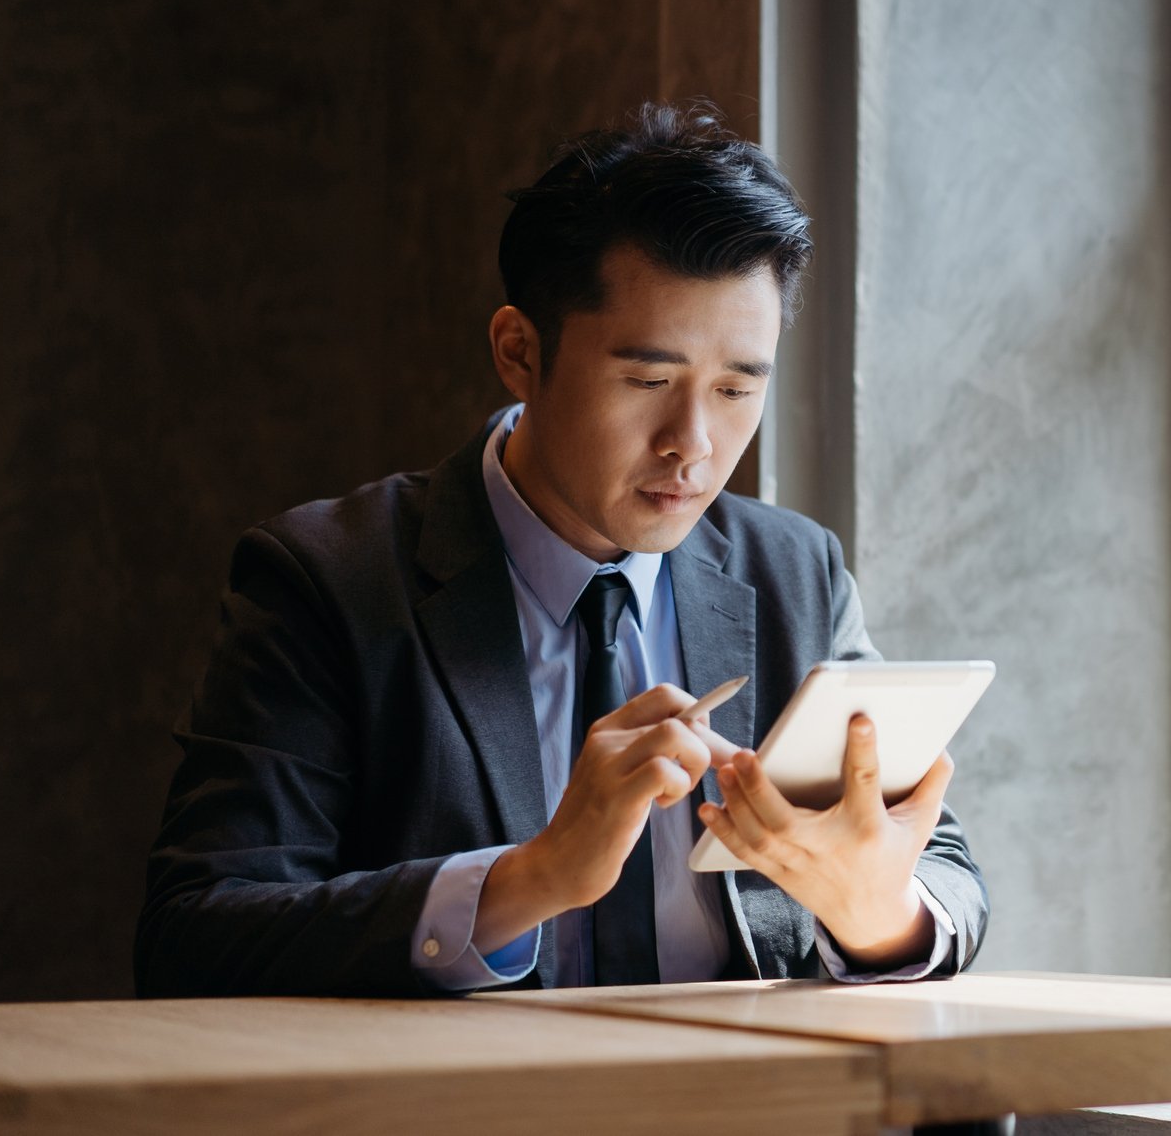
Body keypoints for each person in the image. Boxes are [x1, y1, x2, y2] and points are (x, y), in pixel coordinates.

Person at [136, 102, 988, 998]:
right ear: (518, 351)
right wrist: (531, 878)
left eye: (737, 389)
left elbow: (946, 877)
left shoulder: (792, 573)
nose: (691, 444)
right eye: (647, 381)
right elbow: (196, 934)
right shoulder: (327, 580)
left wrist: (873, 912)